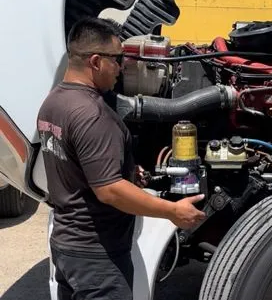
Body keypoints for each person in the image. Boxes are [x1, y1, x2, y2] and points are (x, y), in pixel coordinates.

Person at [37, 17, 206, 300]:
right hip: (98, 256)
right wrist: (171, 211)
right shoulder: (93, 115)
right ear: (95, 61)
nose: (123, 66)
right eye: (117, 58)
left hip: (67, 246)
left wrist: (125, 171)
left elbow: (78, 166)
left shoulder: (53, 102)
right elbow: (110, 191)